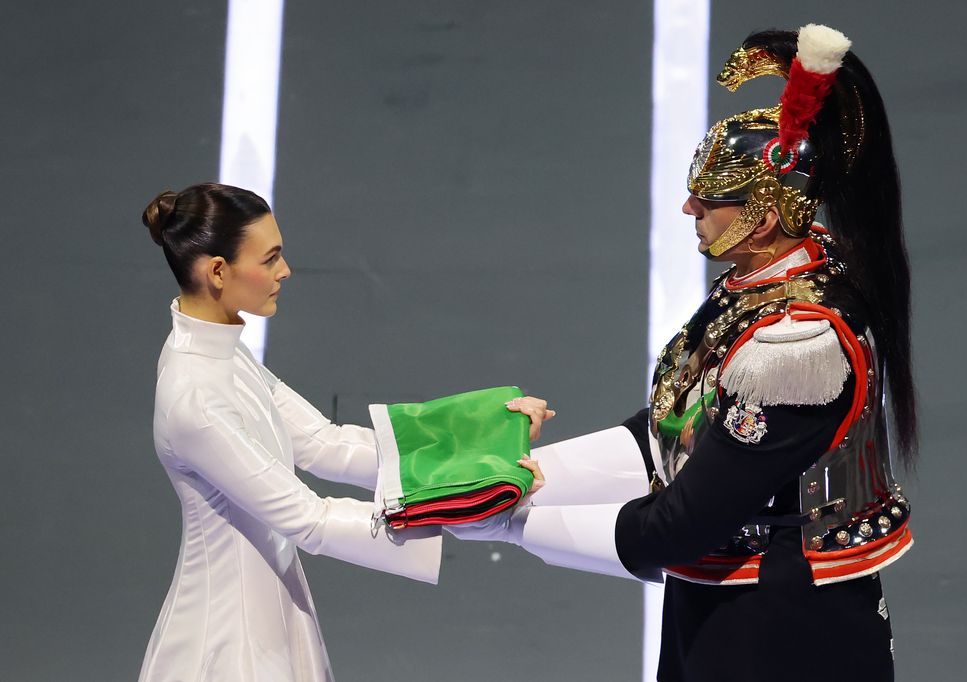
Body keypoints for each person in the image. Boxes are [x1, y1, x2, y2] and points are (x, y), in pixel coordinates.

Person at [451, 25, 915, 681]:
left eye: (711, 196)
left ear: (765, 214)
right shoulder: (771, 281)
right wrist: (524, 471)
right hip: (728, 598)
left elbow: (679, 527)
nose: (688, 206)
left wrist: (510, 521)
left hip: (778, 631)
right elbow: (685, 426)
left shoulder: (795, 343)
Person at [137, 182, 549, 682]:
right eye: (269, 259)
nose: (284, 271)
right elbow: (308, 519)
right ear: (218, 271)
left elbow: (323, 442)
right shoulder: (194, 397)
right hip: (230, 644)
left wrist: (488, 434)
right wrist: (458, 509)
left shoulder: (223, 354)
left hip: (273, 614)